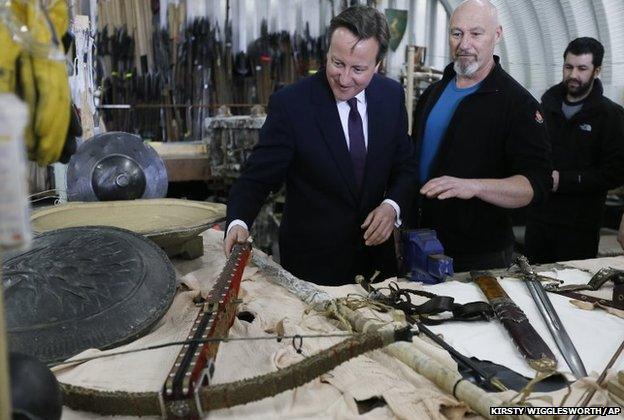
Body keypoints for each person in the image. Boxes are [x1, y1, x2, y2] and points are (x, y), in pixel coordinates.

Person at [224, 5, 418, 286]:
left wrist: (392, 207)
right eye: (337, 63)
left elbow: (406, 167)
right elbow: (255, 179)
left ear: (378, 65)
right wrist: (238, 222)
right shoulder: (292, 105)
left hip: (377, 267)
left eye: (359, 69)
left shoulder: (390, 97)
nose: (344, 78)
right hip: (311, 271)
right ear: (327, 53)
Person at [409, 0, 551, 271]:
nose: (464, 44)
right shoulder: (432, 94)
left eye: (476, 33)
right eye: (456, 33)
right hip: (422, 242)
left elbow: (536, 185)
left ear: (497, 35)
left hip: (479, 255)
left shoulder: (518, 104)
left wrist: (474, 186)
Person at [525, 37, 624, 263]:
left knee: (571, 287)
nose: (573, 75)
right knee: (530, 281)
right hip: (539, 218)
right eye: (568, 67)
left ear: (596, 71)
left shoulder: (609, 115)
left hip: (579, 226)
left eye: (582, 68)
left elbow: (616, 172)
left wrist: (566, 180)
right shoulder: (545, 107)